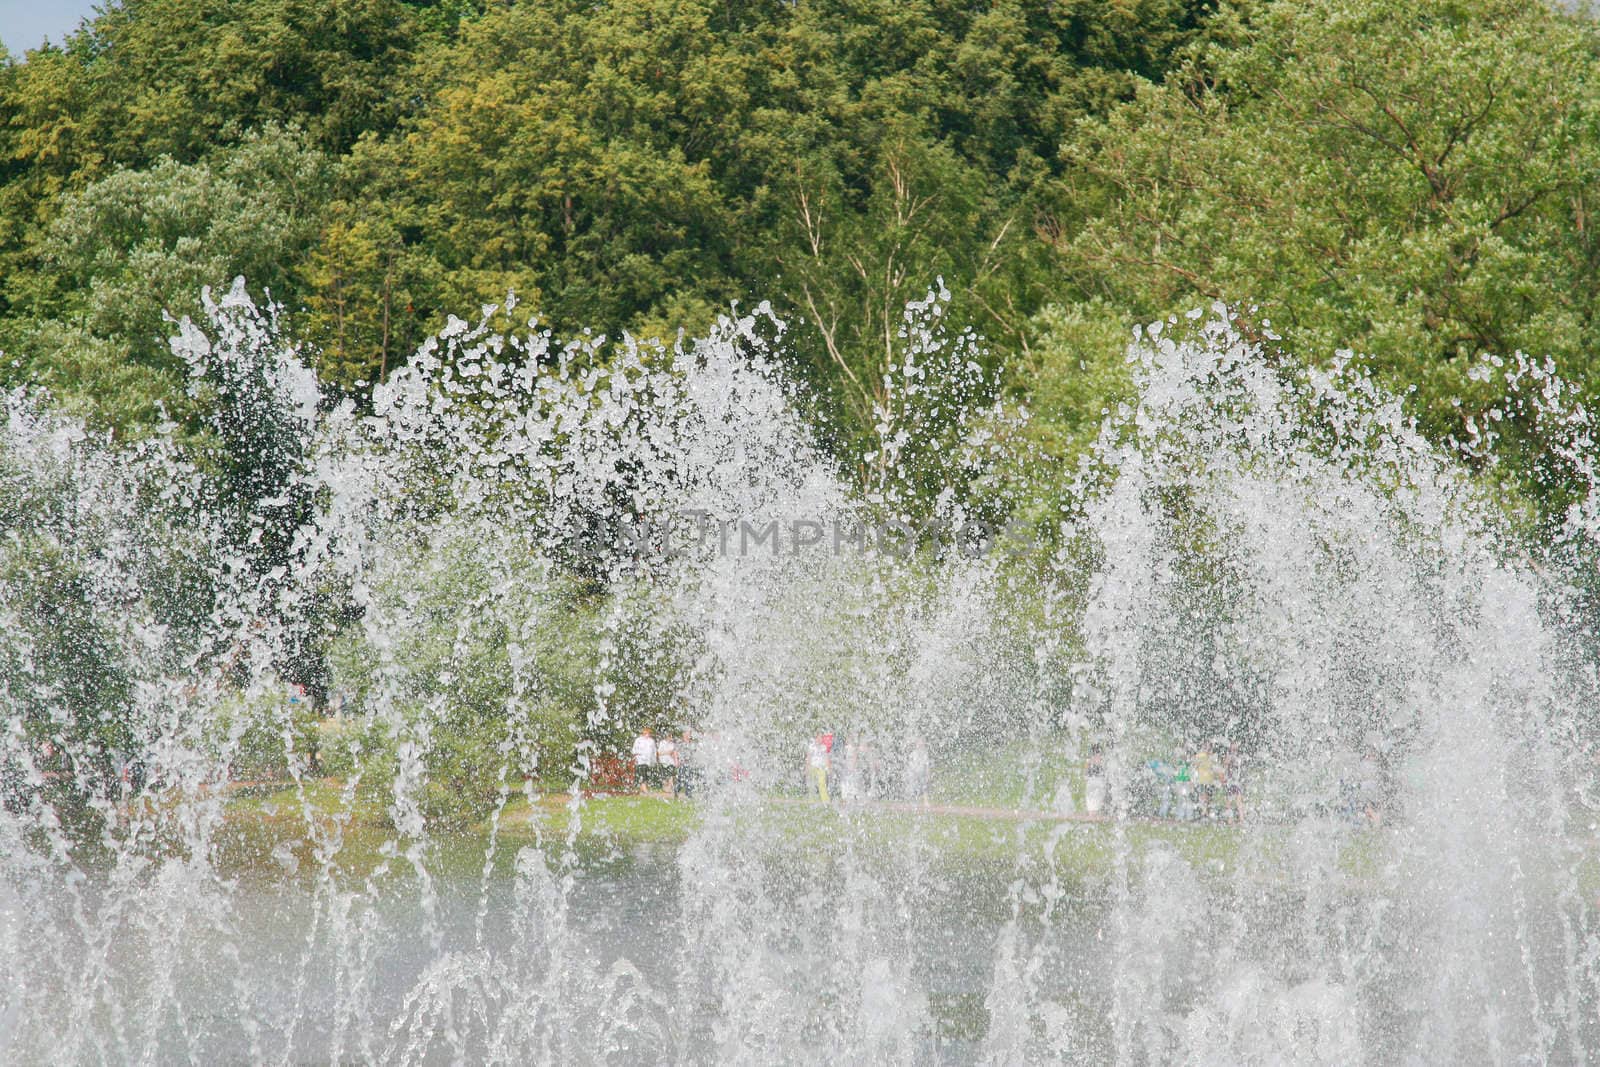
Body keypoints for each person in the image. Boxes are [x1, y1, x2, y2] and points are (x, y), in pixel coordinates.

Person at [1191, 740, 1218, 819]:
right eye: (1206, 746)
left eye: (1209, 747)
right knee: (1203, 797)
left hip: (1210, 781)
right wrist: (1192, 779)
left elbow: (1215, 768)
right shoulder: (1200, 756)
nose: (1208, 748)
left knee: (1208, 799)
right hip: (1201, 780)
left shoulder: (1212, 757)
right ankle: (1202, 813)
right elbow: (1194, 766)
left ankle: (1206, 813)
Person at [631, 728, 657, 795]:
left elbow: (654, 751)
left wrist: (654, 761)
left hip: (648, 761)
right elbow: (634, 750)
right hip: (640, 760)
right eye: (646, 733)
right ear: (643, 733)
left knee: (646, 774)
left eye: (648, 733)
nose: (647, 735)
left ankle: (642, 789)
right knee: (642, 774)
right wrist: (638, 755)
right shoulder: (638, 740)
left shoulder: (651, 741)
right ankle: (645, 790)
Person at [807, 733, 832, 802]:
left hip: (821, 768)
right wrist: (807, 767)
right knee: (812, 784)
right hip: (813, 767)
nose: (820, 739)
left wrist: (829, 767)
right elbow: (808, 757)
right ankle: (811, 800)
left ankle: (825, 800)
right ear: (816, 738)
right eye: (819, 738)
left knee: (822, 783)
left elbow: (827, 758)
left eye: (821, 738)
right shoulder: (811, 746)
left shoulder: (824, 747)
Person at [904, 737, 930, 804]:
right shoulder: (913, 753)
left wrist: (928, 774)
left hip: (921, 773)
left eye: (922, 743)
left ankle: (926, 802)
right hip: (913, 773)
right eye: (919, 743)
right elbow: (909, 764)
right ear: (916, 744)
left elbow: (927, 765)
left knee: (924, 787)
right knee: (913, 787)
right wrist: (910, 773)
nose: (920, 745)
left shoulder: (925, 754)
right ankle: (912, 801)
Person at [1084, 744, 1107, 816]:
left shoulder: (1102, 763)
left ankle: (1097, 812)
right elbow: (1086, 773)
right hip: (1092, 781)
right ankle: (1093, 813)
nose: (1098, 759)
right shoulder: (1089, 762)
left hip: (1099, 781)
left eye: (1099, 756)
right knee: (1092, 806)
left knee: (1098, 803)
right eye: (1096, 756)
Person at [656, 733, 679, 798]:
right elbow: (659, 753)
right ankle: (666, 787)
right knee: (665, 776)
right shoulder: (662, 743)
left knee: (672, 774)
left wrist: (676, 761)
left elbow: (674, 753)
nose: (671, 738)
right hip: (663, 761)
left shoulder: (672, 744)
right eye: (670, 736)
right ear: (667, 737)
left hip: (671, 762)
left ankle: (669, 787)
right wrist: (667, 752)